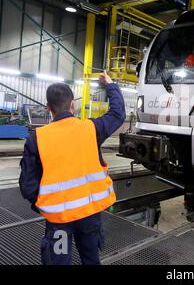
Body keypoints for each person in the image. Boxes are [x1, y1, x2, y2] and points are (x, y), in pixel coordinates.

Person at [19, 72, 125, 265]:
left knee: (60, 261)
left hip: (59, 220)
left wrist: (41, 204)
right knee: (91, 259)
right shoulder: (91, 128)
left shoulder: (37, 137)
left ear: (49, 108)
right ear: (73, 105)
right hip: (90, 216)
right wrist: (110, 85)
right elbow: (118, 114)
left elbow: (27, 184)